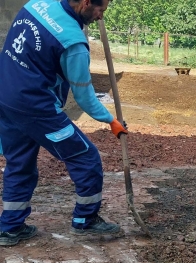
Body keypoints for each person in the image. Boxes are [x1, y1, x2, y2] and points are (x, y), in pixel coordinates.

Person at [0, 0, 127, 247]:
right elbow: (85, 97)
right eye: (101, 10)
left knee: (19, 163)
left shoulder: (36, 5)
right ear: (86, 3)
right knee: (86, 157)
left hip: (5, 97)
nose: (101, 17)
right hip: (36, 106)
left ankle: (10, 228)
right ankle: (86, 221)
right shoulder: (73, 42)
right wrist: (111, 120)